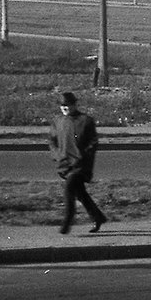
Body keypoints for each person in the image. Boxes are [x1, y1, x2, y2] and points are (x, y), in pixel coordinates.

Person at [48, 91, 106, 234]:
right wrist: (57, 155)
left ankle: (67, 221)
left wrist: (83, 155)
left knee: (69, 190)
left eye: (68, 105)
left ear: (74, 105)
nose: (65, 108)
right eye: (62, 105)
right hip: (65, 163)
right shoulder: (57, 122)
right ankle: (97, 217)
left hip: (80, 165)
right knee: (80, 193)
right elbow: (52, 142)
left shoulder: (85, 120)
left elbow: (93, 141)